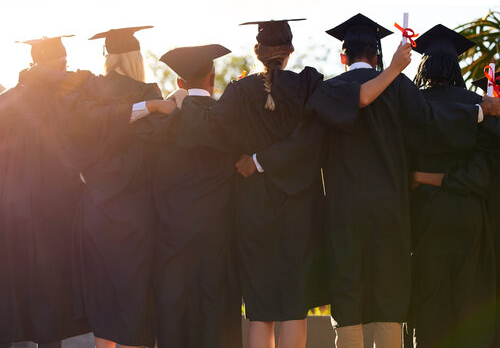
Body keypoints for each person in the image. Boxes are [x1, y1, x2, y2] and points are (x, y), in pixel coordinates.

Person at [166, 18, 413, 348]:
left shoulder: (239, 91)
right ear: (290, 51)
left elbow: (211, 129)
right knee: (294, 309)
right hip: (299, 209)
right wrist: (267, 160)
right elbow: (312, 138)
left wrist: (184, 101)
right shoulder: (308, 85)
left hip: (253, 212)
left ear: (257, 52)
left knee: (260, 311)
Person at [306, 13, 500, 348]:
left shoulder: (327, 91)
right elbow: (431, 125)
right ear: (378, 55)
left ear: (342, 56)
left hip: (345, 213)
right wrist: (479, 110)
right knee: (390, 302)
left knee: (349, 301)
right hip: (393, 213)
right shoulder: (399, 88)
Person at [67, 25, 163, 348]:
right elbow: (149, 154)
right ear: (135, 57)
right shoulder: (148, 92)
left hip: (94, 212)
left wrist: (92, 175)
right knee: (133, 310)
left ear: (108, 56)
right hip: (134, 215)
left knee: (103, 307)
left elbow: (75, 139)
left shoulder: (89, 92)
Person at [145, 44, 243, 348]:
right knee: (216, 315)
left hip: (171, 233)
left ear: (178, 84)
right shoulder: (226, 116)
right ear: (212, 78)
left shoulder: (161, 121)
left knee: (174, 315)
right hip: (217, 233)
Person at [407, 24, 497, 348]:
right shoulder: (481, 106)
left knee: (430, 303)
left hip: (425, 217)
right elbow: (488, 168)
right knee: (470, 302)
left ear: (424, 65)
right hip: (469, 215)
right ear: (456, 66)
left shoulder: (414, 106)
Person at [0, 35, 90, 348]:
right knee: (49, 292)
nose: (68, 68)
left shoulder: (9, 99)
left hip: (11, 207)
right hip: (53, 207)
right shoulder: (62, 100)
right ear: (52, 65)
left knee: (14, 286)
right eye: (63, 63)